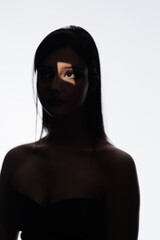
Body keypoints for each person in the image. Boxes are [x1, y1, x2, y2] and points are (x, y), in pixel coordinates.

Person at [0, 26, 140, 240]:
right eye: (46, 74)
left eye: (69, 74)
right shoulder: (16, 161)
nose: (54, 86)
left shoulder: (116, 167)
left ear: (92, 83)